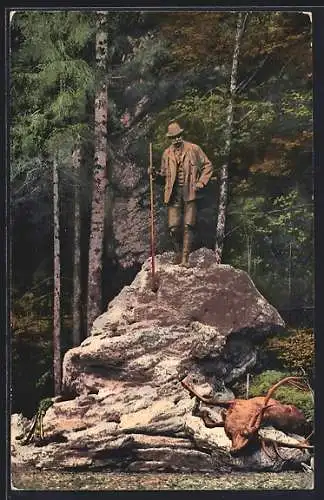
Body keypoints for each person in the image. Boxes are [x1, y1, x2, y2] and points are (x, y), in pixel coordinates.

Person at [150, 120, 213, 266]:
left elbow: (208, 165)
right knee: (173, 228)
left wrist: (201, 182)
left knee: (188, 225)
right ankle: (178, 252)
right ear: (170, 139)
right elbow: (164, 177)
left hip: (190, 192)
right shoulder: (167, 154)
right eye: (174, 137)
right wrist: (155, 175)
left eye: (179, 135)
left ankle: (185, 259)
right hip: (173, 194)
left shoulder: (194, 149)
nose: (177, 139)